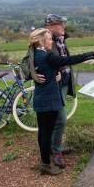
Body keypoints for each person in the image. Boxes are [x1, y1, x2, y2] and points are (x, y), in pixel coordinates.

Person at [29, 28, 94, 175]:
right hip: (49, 100)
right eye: (49, 39)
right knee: (46, 133)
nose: (52, 41)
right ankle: (45, 164)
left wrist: (53, 75)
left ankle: (44, 160)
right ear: (41, 41)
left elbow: (44, 69)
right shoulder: (47, 57)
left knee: (43, 132)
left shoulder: (35, 53)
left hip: (41, 99)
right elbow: (69, 60)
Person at [32, 14, 78, 169]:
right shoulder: (43, 41)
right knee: (61, 119)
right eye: (60, 24)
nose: (63, 26)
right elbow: (27, 61)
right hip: (53, 88)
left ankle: (54, 147)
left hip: (64, 84)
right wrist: (32, 74)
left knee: (57, 120)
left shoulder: (61, 39)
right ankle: (55, 152)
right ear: (49, 27)